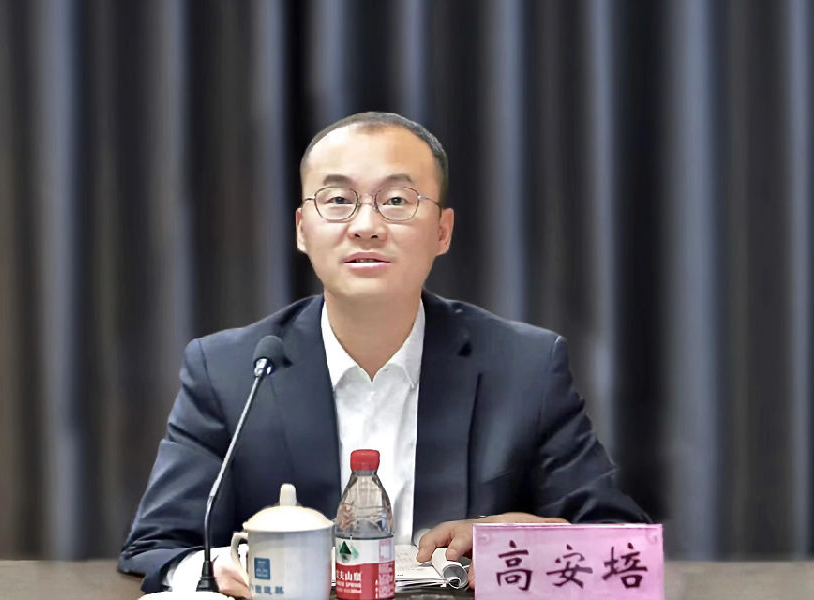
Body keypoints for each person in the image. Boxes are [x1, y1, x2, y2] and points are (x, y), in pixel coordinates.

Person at [118, 112, 649, 594]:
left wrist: (525, 540)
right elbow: (158, 543)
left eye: (397, 201)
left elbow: (622, 546)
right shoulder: (231, 371)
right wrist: (215, 569)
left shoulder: (524, 367)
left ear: (442, 231)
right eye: (337, 200)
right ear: (302, 230)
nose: (366, 225)